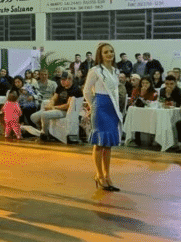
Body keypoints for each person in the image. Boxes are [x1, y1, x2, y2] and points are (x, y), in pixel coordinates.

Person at [84, 43, 122, 192]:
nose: (109, 54)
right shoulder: (95, 71)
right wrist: (94, 105)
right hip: (100, 106)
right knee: (99, 143)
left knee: (108, 144)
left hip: (112, 108)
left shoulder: (115, 71)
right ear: (100, 55)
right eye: (106, 52)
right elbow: (86, 90)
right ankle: (99, 175)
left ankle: (107, 175)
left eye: (111, 51)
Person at [29, 72, 83, 139]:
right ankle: (45, 130)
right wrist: (50, 104)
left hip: (65, 111)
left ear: (70, 80)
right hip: (55, 108)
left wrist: (53, 107)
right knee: (33, 117)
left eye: (64, 80)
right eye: (61, 80)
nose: (62, 81)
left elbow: (67, 106)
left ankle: (45, 134)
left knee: (44, 115)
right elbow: (54, 98)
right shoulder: (60, 87)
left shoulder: (75, 90)